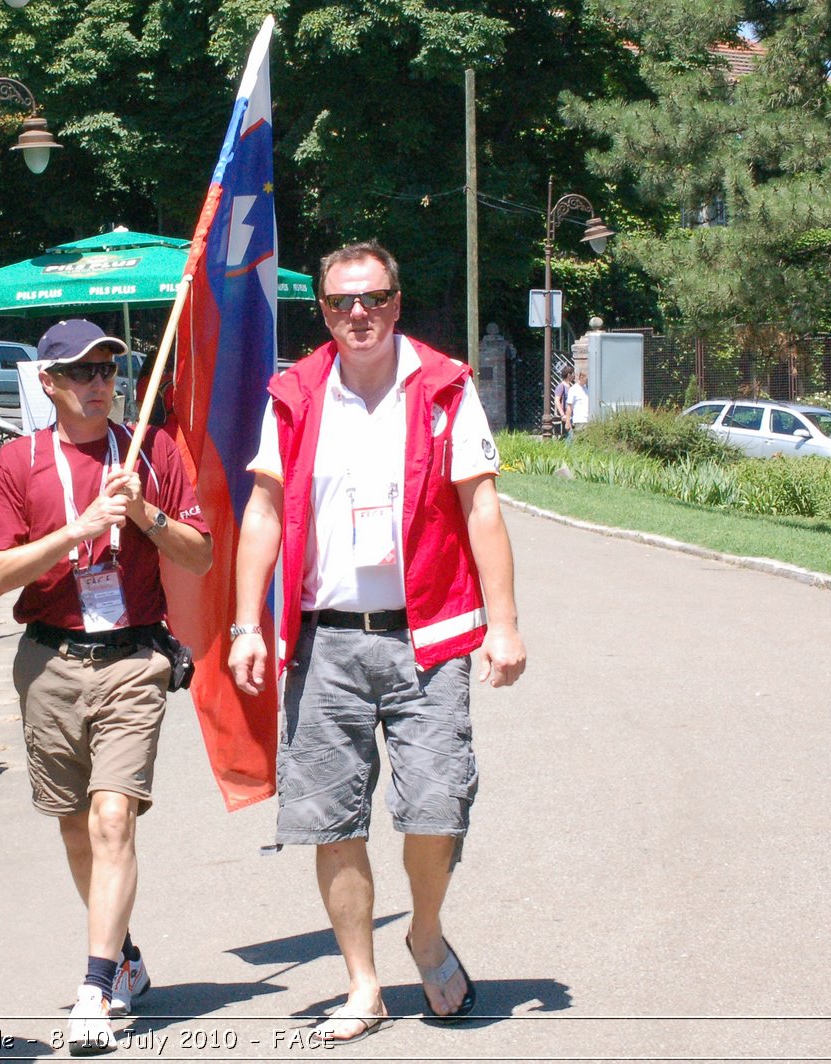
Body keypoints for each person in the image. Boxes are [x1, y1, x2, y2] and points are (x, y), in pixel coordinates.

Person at [227, 241, 527, 1044]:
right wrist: (246, 623)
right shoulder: (293, 395)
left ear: (396, 302)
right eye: (339, 303)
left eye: (373, 298)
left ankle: (423, 933)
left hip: (425, 639)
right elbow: (262, 512)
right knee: (332, 821)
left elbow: (481, 511)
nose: (357, 314)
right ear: (323, 312)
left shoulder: (442, 389)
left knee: (436, 806)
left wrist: (503, 624)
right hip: (325, 644)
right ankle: (363, 985)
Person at [0, 319, 212, 1056]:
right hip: (48, 662)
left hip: (134, 659)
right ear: (47, 383)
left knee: (113, 820)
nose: (97, 384)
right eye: (79, 373)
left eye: (108, 369)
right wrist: (78, 532)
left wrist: (142, 512)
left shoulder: (151, 450)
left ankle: (94, 986)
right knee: (76, 825)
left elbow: (198, 555)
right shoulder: (19, 463)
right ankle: (126, 954)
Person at [566, 369, 590, 442]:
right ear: (581, 377)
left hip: (589, 421)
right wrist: (567, 422)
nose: (587, 380)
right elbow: (569, 407)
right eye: (586, 378)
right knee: (579, 443)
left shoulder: (588, 389)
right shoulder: (573, 389)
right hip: (579, 421)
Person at [552, 364, 575, 437]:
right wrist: (562, 414)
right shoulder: (561, 386)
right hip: (565, 415)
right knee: (568, 435)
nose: (574, 375)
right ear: (568, 375)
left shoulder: (570, 386)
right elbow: (556, 400)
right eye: (572, 374)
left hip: (570, 414)